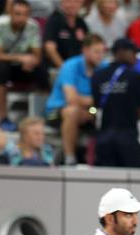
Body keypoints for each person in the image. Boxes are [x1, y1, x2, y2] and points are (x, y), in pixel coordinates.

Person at [45, 33, 106, 166]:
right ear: (85, 50)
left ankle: (102, 159)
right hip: (56, 111)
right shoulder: (70, 66)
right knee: (73, 111)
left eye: (102, 52)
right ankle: (69, 158)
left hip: (90, 110)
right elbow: (71, 99)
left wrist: (91, 108)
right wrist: (95, 100)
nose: (100, 56)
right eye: (96, 52)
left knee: (104, 112)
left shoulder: (104, 67)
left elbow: (108, 98)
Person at [0, 0, 45, 131]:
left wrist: (31, 61)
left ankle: (43, 117)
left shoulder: (33, 27)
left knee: (41, 69)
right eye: (18, 14)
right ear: (10, 13)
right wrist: (21, 57)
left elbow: (37, 55)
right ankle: (3, 118)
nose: (21, 18)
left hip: (20, 66)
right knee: (1, 68)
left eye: (25, 14)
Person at [91, 37, 140, 168]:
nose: (136, 57)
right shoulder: (136, 77)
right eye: (133, 52)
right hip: (128, 137)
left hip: (104, 138)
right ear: (120, 52)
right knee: (136, 176)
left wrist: (92, 114)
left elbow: (94, 107)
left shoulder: (98, 75)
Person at [43, 0, 88, 68]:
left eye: (76, 2)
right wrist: (65, 69)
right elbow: (50, 48)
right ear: (62, 3)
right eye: (68, 1)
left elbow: (87, 48)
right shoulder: (54, 20)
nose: (72, 5)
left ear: (81, 4)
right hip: (57, 68)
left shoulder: (81, 23)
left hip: (77, 67)